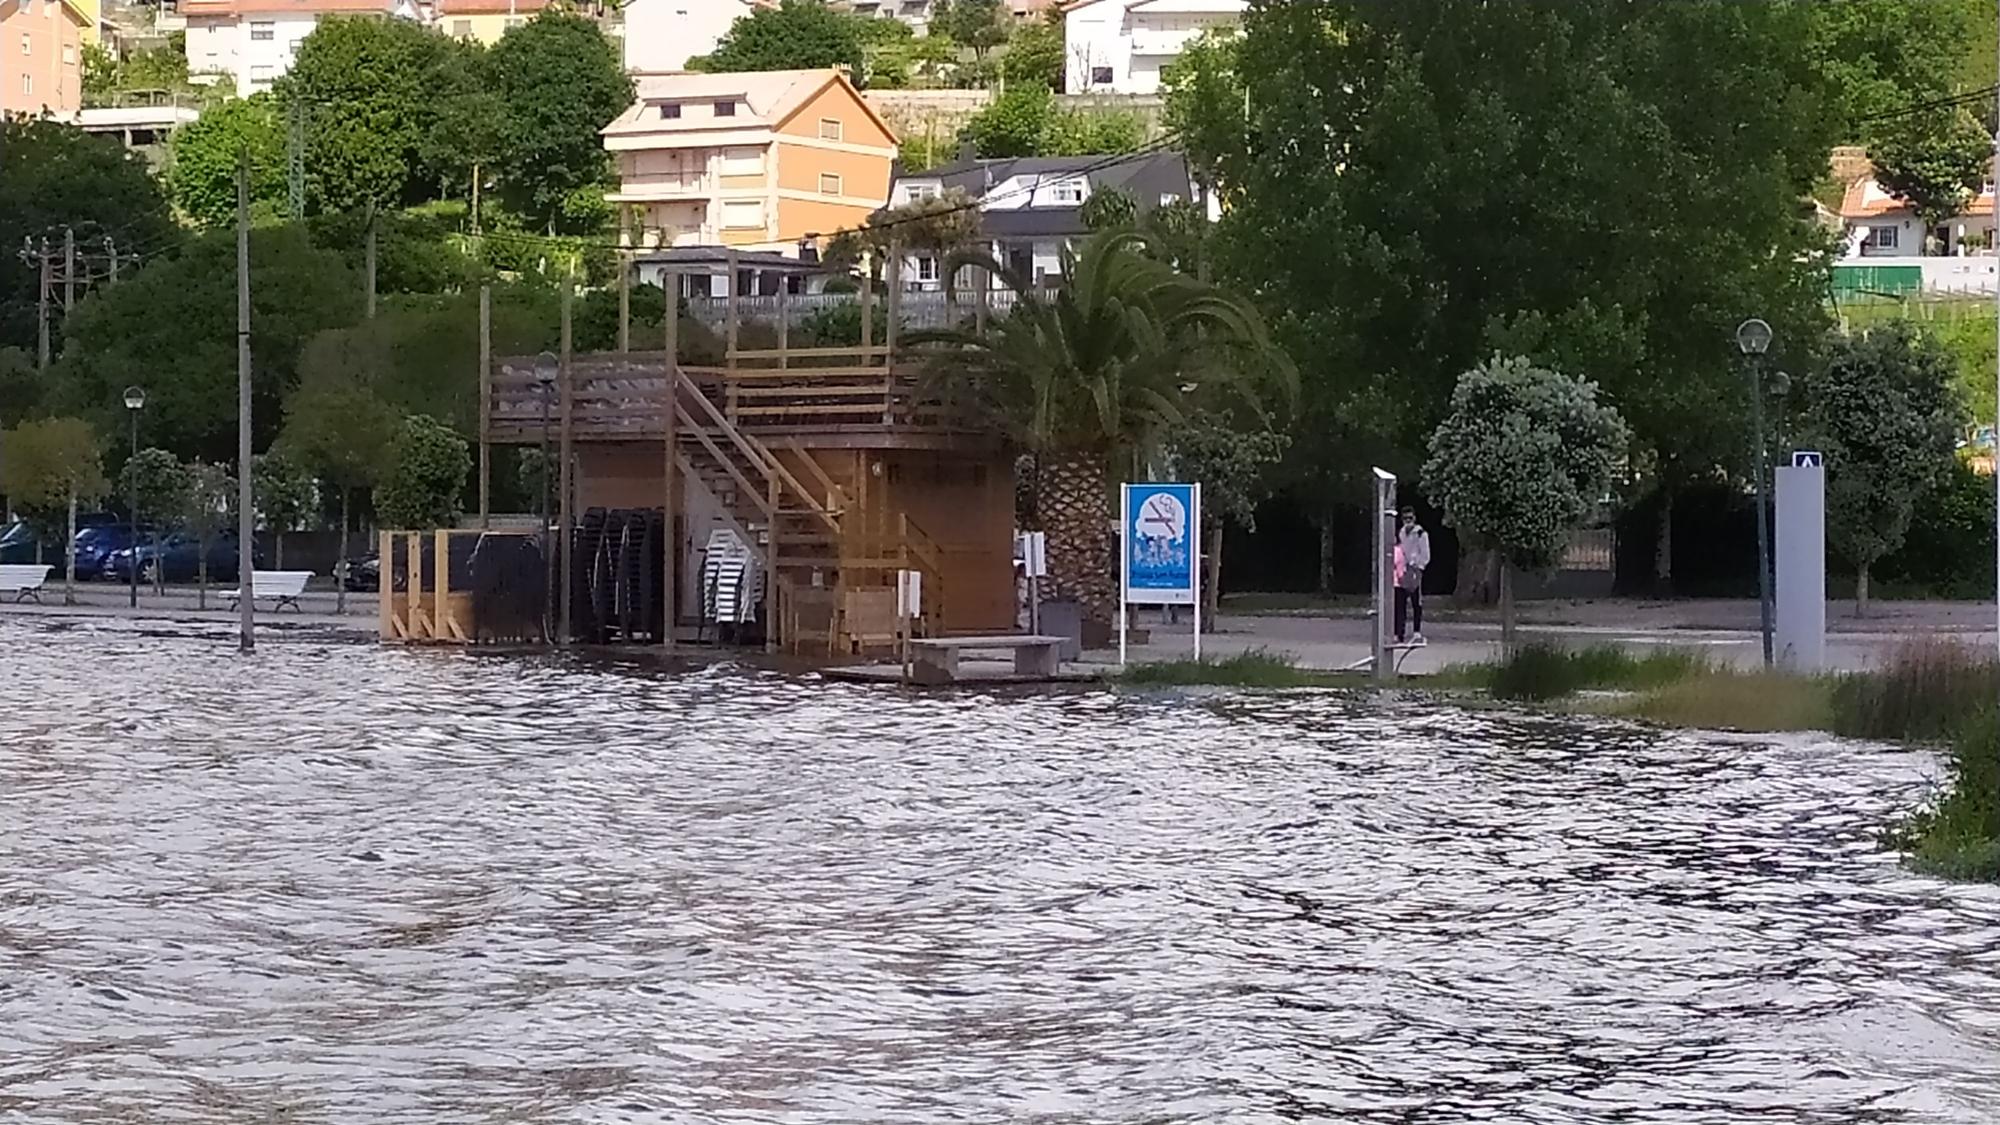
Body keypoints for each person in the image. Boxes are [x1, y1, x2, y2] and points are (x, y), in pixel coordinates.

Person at [1395, 507, 1430, 645]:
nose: (1407, 522)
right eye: (1405, 519)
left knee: (1416, 602)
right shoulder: (1402, 533)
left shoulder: (1421, 533)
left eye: (1410, 518)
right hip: (1403, 569)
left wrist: (1419, 567)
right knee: (1400, 602)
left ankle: (1417, 631)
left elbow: (1426, 554)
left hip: (1415, 570)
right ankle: (1400, 633)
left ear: (1414, 518)